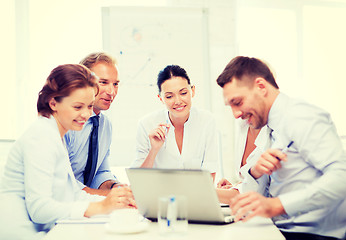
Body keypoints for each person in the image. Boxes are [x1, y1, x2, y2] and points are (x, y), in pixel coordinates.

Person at [216, 56, 346, 240]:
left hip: (312, 235)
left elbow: (342, 177)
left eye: (237, 103)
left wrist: (276, 205)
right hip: (282, 230)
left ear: (261, 87)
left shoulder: (300, 116)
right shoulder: (272, 127)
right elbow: (259, 193)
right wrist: (255, 172)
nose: (236, 114)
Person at [0, 64, 135, 240]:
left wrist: (113, 203)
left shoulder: (56, 135)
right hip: (22, 232)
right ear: (53, 102)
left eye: (89, 106)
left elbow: (72, 195)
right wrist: (101, 207)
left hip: (44, 229)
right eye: (78, 107)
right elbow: (40, 209)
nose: (86, 115)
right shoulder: (41, 137)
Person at [132, 65, 219, 181]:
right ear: (161, 98)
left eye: (183, 93)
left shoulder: (207, 121)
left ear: (192, 91)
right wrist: (153, 150)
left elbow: (210, 173)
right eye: (169, 96)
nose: (178, 101)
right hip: (159, 197)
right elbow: (138, 181)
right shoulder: (146, 124)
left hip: (196, 196)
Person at [64, 52, 123, 196]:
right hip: (60, 202)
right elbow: (62, 180)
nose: (111, 92)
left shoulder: (105, 125)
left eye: (115, 84)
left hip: (84, 205)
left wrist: (115, 187)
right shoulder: (65, 122)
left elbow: (101, 172)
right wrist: (103, 197)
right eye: (103, 82)